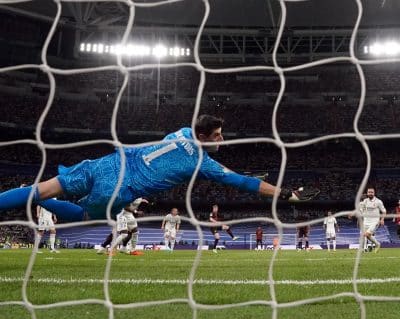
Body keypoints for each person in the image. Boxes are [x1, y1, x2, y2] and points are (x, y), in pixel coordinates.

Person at [0, 115, 318, 222]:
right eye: (218, 135)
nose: (223, 139)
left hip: (110, 162)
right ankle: (37, 202)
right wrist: (286, 194)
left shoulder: (181, 131)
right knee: (82, 216)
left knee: (40, 188)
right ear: (204, 137)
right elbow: (246, 183)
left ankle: (32, 198)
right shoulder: (203, 162)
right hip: (118, 188)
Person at [359, 187, 386, 253]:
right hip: (366, 221)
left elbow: (384, 211)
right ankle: (374, 245)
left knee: (367, 234)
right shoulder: (365, 201)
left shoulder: (378, 201)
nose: (370, 193)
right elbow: (360, 211)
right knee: (365, 235)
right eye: (369, 192)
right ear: (367, 193)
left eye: (372, 192)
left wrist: (382, 219)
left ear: (374, 193)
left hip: (374, 221)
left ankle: (376, 244)